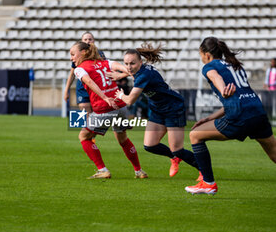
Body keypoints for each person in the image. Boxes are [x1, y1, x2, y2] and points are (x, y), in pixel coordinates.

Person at [185, 37, 276, 195]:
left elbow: (216, 78)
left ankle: (208, 183)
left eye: (200, 55)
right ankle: (207, 183)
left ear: (206, 55)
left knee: (195, 135)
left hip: (239, 115)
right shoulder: (235, 65)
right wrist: (209, 118)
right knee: (273, 152)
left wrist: (222, 90)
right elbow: (236, 98)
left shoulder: (209, 66)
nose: (201, 58)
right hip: (257, 110)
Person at [109, 43, 202, 179]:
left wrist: (120, 95)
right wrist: (121, 75)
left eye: (132, 63)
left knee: (178, 149)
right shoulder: (139, 70)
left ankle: (203, 171)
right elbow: (129, 71)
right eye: (126, 63)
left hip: (173, 108)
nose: (129, 67)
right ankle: (175, 157)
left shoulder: (143, 76)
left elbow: (129, 101)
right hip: (158, 109)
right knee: (150, 145)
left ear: (140, 62)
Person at [70, 41, 148, 179]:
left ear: (83, 53)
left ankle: (102, 170)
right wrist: (124, 75)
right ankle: (139, 171)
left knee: (83, 137)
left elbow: (88, 81)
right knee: (123, 139)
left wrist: (104, 97)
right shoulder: (105, 62)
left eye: (72, 54)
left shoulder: (80, 69)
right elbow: (126, 69)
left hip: (104, 108)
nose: (71, 58)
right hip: (121, 105)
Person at [64, 32, 106, 113]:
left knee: (97, 118)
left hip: (96, 88)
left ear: (94, 41)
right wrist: (66, 90)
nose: (88, 41)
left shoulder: (100, 54)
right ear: (81, 42)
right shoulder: (78, 55)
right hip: (82, 89)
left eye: (90, 39)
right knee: (84, 117)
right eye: (85, 39)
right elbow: (72, 74)